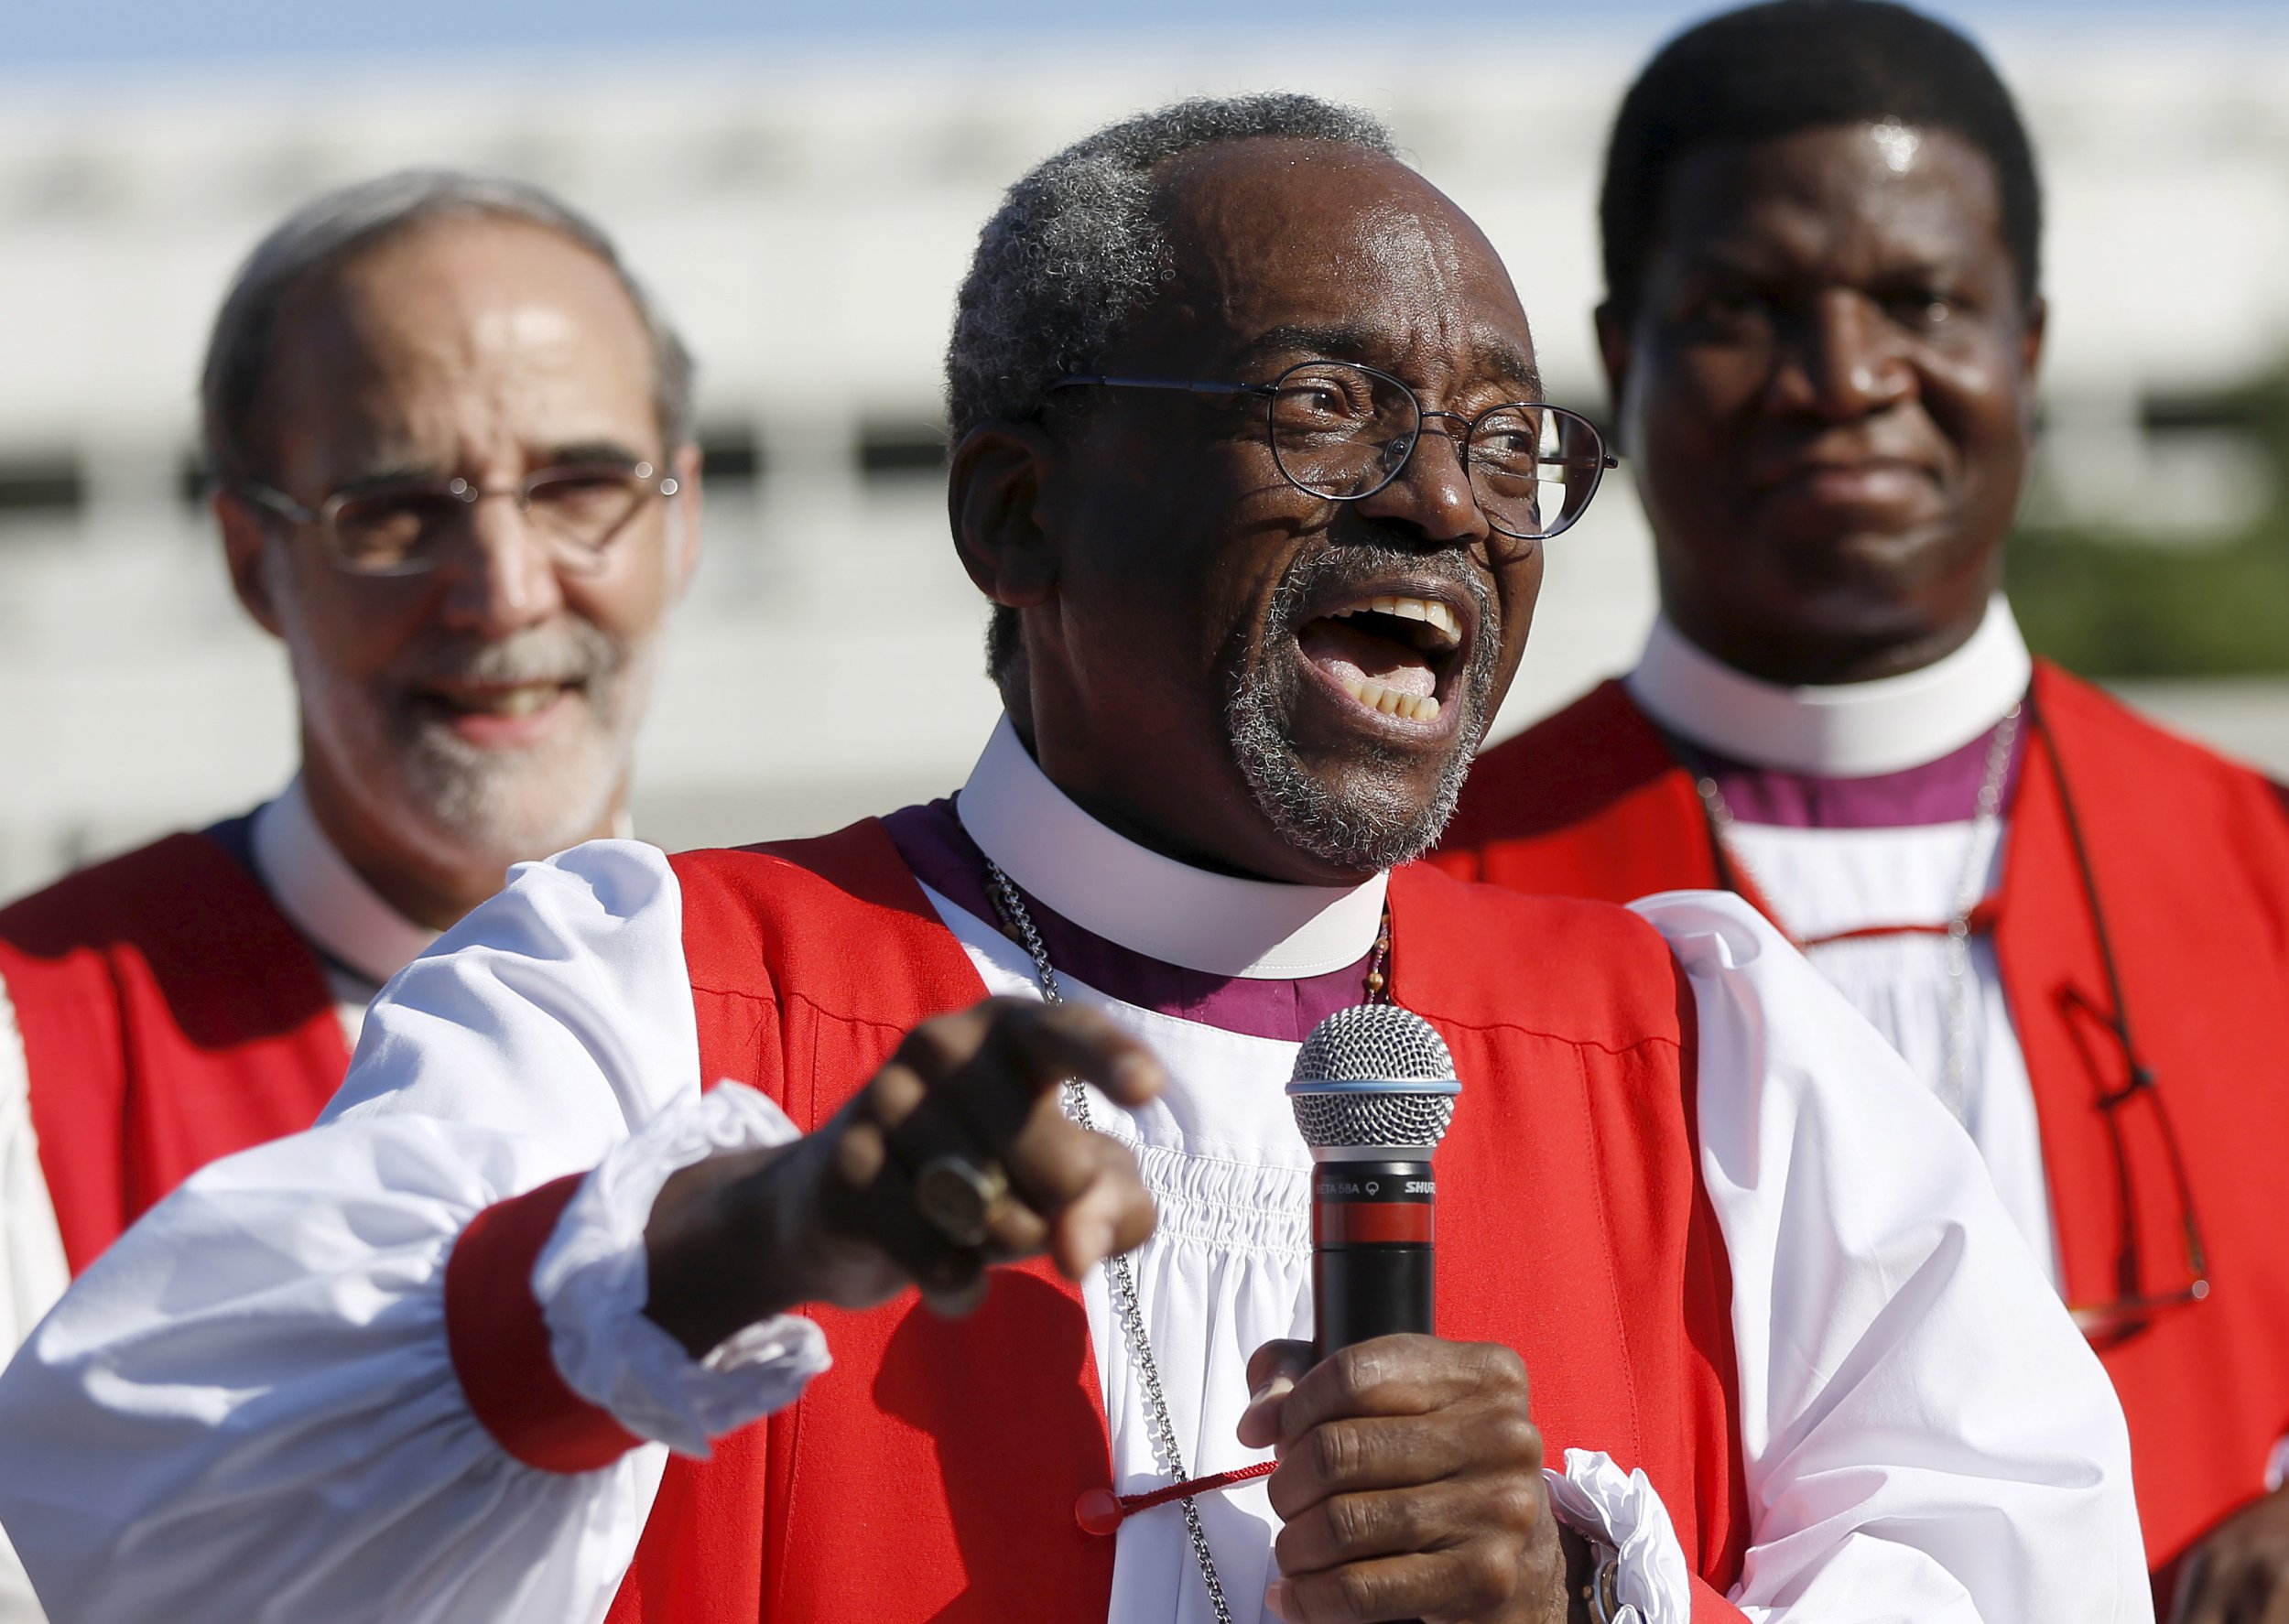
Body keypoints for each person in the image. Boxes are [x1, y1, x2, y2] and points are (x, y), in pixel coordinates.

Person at [0, 96, 2143, 1624]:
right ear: (1013, 514)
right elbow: (145, 1487)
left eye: (1506, 443)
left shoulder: (1706, 1045)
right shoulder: (643, 985)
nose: (1438, 508)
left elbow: (2022, 1567)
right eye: (1322, 410)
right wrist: (731, 1240)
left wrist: (1600, 1594)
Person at [1432, 3, 2289, 1615]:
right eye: (1751, 307)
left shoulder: (2269, 863)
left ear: (2023, 347)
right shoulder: (1427, 896)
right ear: (1627, 358)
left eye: (1920, 301)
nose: (1845, 379)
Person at [0, 170, 701, 1616]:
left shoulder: (848, 997)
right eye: (395, 510)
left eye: (579, 487)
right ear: (256, 558)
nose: (503, 590)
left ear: (677, 522)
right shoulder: (28, 1048)